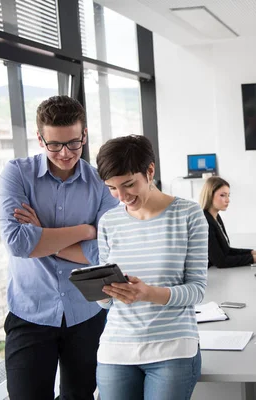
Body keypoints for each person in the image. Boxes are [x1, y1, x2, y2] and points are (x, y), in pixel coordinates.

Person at [0, 96, 119, 399]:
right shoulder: (16, 174)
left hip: (86, 313)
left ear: (84, 136)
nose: (65, 153)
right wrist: (85, 230)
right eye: (54, 145)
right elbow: (18, 242)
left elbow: (105, 251)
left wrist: (43, 236)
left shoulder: (101, 182)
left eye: (73, 143)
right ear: (40, 138)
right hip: (30, 313)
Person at [95, 135, 206, 400]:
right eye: (112, 188)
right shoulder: (109, 222)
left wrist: (148, 293)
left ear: (150, 171)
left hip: (172, 349)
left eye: (129, 184)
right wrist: (102, 294)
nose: (122, 197)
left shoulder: (188, 214)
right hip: (117, 348)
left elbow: (197, 290)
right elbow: (107, 303)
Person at [199, 177, 256, 268]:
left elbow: (226, 251)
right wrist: (254, 259)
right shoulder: (205, 222)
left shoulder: (216, 217)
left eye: (228, 195)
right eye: (222, 195)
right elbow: (220, 261)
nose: (228, 200)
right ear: (210, 195)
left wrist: (254, 253)